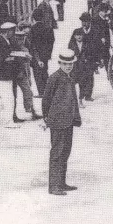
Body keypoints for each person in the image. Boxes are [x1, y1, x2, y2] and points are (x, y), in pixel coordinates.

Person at [42, 50, 82, 196]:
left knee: (65, 152)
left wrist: (75, 117)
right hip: (57, 121)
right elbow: (46, 99)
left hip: (69, 120)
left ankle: (61, 183)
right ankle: (53, 186)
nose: (68, 66)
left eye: (70, 64)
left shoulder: (69, 78)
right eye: (65, 64)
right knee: (57, 153)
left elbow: (73, 99)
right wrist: (47, 117)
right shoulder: (54, 78)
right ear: (59, 63)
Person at [0, 22, 26, 126]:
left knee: (5, 98)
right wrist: (7, 59)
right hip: (1, 75)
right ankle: (8, 122)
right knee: (9, 98)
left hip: (7, 74)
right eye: (12, 31)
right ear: (7, 31)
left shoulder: (6, 40)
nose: (14, 33)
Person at [12, 22, 40, 121]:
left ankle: (30, 110)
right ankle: (10, 114)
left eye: (24, 36)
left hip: (24, 70)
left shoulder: (27, 41)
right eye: (20, 37)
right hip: (13, 72)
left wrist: (37, 60)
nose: (22, 39)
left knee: (28, 91)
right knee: (11, 95)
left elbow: (33, 50)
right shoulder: (12, 42)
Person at [68, 17, 97, 101]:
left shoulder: (92, 34)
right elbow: (70, 48)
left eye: (86, 21)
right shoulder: (75, 37)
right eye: (83, 22)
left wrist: (95, 60)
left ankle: (88, 95)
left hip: (88, 61)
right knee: (78, 79)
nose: (84, 23)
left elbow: (93, 49)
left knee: (90, 78)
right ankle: (79, 95)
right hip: (77, 64)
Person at [31, 0, 57, 75]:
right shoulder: (42, 6)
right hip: (44, 29)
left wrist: (53, 24)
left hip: (47, 28)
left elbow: (51, 16)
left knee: (49, 43)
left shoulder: (48, 5)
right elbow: (39, 17)